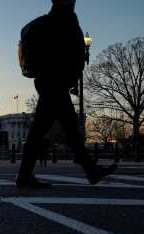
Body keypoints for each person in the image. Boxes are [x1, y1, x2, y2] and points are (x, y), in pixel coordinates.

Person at [16, 0, 116, 188]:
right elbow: (71, 55)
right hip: (55, 83)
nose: (73, 2)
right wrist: (71, 79)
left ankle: (88, 168)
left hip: (50, 82)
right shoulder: (63, 22)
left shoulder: (43, 23)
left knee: (58, 128)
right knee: (55, 129)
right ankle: (88, 168)